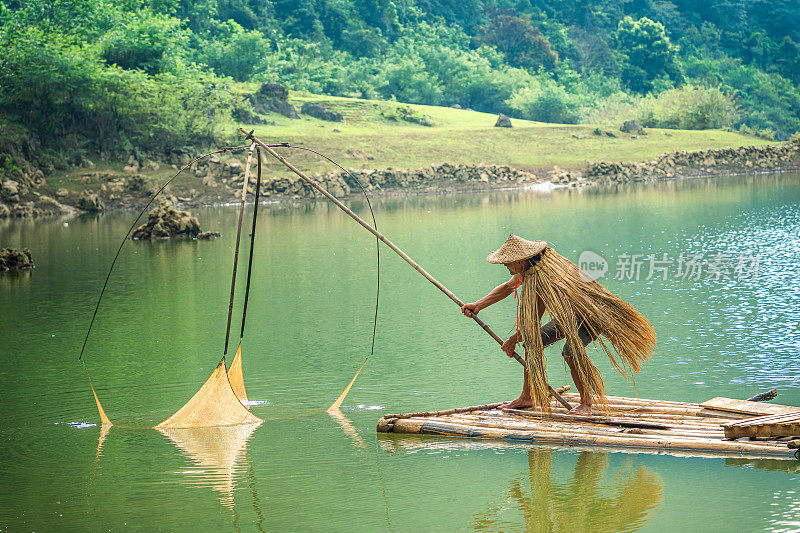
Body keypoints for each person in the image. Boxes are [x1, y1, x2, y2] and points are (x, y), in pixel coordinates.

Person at [462, 235, 656, 415]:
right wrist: (478, 305)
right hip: (568, 316)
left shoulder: (542, 278)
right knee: (531, 344)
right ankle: (527, 396)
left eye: (508, 263)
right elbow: (507, 287)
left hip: (591, 315)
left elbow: (531, 323)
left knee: (571, 352)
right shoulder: (530, 269)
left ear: (520, 261)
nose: (506, 266)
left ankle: (586, 403)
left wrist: (512, 340)